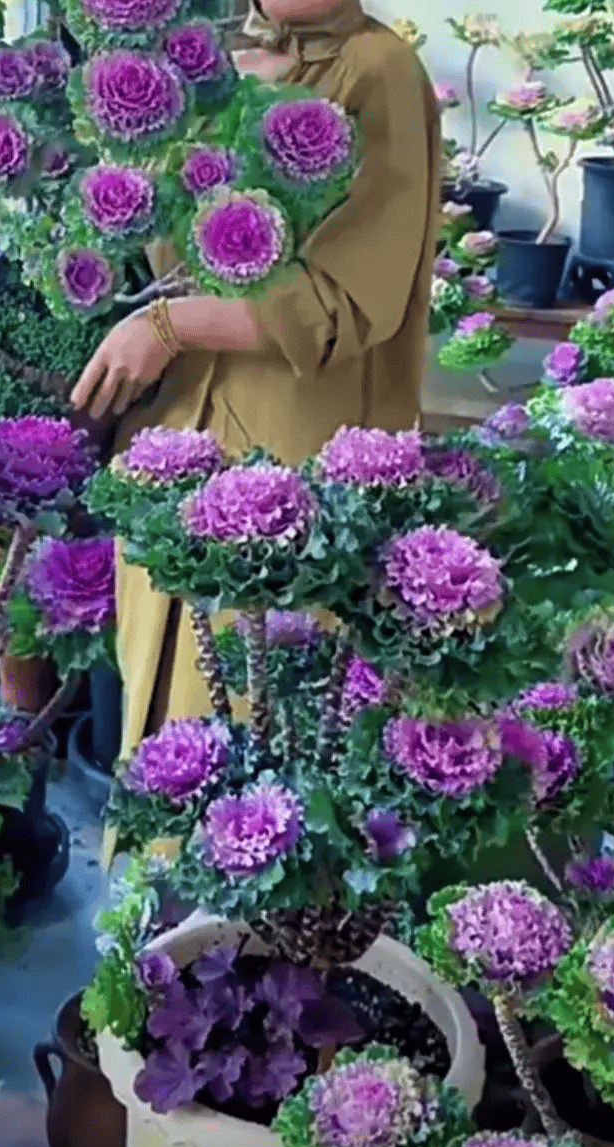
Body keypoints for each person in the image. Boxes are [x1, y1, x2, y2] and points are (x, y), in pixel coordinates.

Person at [70, 0, 442, 779]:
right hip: (170, 435)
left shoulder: (377, 70)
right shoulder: (207, 54)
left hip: (293, 447)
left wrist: (170, 327)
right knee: (158, 733)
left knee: (265, 739)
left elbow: (342, 301)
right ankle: (155, 896)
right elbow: (158, 241)